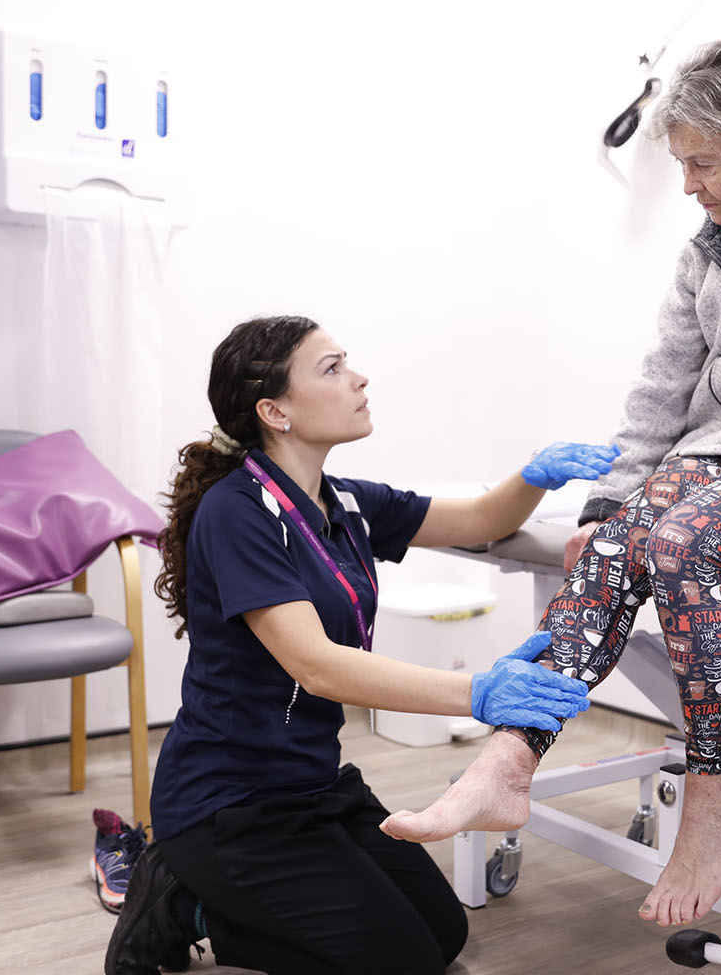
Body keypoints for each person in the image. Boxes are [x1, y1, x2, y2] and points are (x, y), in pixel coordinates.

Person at [380, 36, 721, 930]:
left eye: (703, 163)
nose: (688, 186)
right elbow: (661, 389)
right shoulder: (708, 249)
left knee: (681, 543)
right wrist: (610, 506)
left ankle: (717, 790)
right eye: (680, 164)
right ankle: (512, 759)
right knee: (611, 546)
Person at [104, 315, 615, 975]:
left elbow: (481, 519)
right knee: (400, 960)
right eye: (333, 368)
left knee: (441, 933)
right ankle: (179, 902)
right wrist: (478, 693)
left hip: (315, 785)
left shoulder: (343, 501)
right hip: (229, 804)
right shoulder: (238, 512)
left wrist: (535, 477)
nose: (359, 377)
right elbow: (314, 666)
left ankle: (203, 915)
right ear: (275, 411)